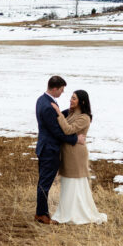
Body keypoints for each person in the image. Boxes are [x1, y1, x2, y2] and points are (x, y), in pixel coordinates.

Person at [50, 90, 107, 225]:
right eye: (71, 97)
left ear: (81, 101)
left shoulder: (84, 117)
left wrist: (58, 113)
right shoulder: (71, 113)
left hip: (75, 154)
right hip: (68, 152)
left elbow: (68, 129)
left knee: (74, 182)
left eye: (74, 98)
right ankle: (67, 212)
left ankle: (76, 214)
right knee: (68, 182)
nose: (71, 100)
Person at [35, 75, 78, 224]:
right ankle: (42, 215)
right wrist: (75, 139)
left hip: (44, 147)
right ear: (54, 88)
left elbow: (54, 119)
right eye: (61, 90)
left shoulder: (43, 100)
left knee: (43, 182)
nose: (62, 93)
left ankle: (41, 213)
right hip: (49, 150)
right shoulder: (47, 105)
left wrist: (69, 111)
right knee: (44, 184)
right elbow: (56, 131)